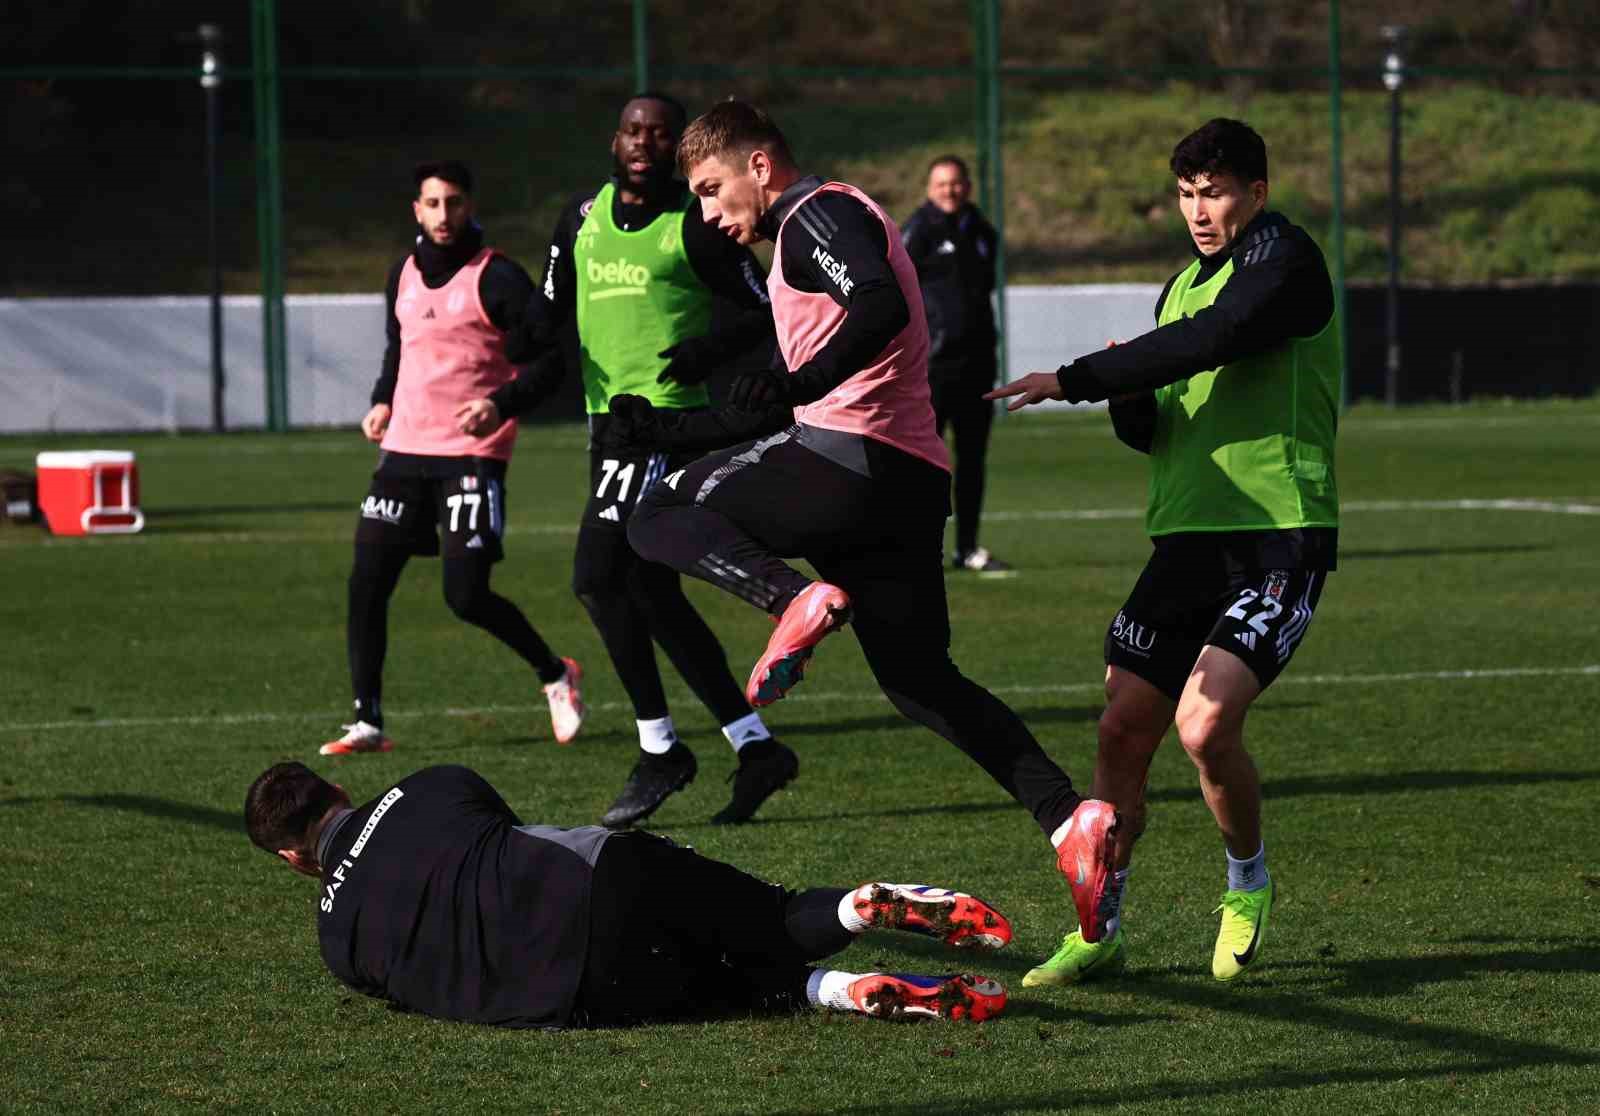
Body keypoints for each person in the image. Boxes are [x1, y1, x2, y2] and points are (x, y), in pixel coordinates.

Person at [601, 99, 1121, 953]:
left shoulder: (817, 215)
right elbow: (782, 396)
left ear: (759, 167)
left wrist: (798, 389)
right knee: (920, 680)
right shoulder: (806, 240)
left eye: (708, 188)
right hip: (903, 485)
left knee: (652, 513)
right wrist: (660, 429)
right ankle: (1069, 820)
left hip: (853, 468)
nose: (705, 211)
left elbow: (872, 312)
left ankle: (788, 600)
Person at [988, 118, 1340, 985]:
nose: (1198, 210)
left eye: (1214, 191)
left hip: (1275, 537)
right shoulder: (1179, 286)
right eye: (1186, 194)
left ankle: (1246, 883)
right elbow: (1160, 424)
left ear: (1256, 193)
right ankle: (1100, 929)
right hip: (1185, 540)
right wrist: (1127, 395)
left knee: (1205, 724)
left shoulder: (1286, 263)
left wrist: (1076, 377)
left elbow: (1219, 337)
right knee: (1121, 730)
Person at [498, 92, 793, 829]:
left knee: (598, 579)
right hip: (610, 427)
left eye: (660, 134)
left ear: (676, 149)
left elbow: (764, 313)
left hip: (665, 427)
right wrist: (527, 337)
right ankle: (754, 746)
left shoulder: (697, 225)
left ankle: (661, 748)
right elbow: (552, 303)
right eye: (633, 130)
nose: (644, 143)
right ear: (614, 139)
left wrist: (708, 351)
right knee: (652, 595)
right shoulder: (581, 218)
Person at [245, 760, 1012, 1027]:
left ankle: (840, 989)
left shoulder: (335, 946)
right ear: (336, 788)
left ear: (291, 859)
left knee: (745, 988)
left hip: (570, 992)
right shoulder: (428, 788)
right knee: (770, 918)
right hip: (599, 879)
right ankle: (855, 908)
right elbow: (502, 833)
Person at [321, 160, 585, 757]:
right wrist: (381, 401)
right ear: (416, 209)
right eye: (433, 204)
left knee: (465, 595)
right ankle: (367, 721)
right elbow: (400, 350)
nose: (444, 215)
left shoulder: (497, 279)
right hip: (403, 453)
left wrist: (500, 403)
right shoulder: (403, 275)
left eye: (455, 203)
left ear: (470, 207)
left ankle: (554, 673)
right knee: (367, 581)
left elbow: (550, 363)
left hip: (470, 454)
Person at [901, 155, 1009, 573]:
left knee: (972, 459)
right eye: (942, 184)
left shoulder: (982, 232)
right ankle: (917, 548)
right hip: (931, 368)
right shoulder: (916, 232)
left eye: (957, 183)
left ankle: (967, 548)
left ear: (968, 186)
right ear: (930, 189)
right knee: (924, 464)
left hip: (977, 366)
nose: (950, 190)